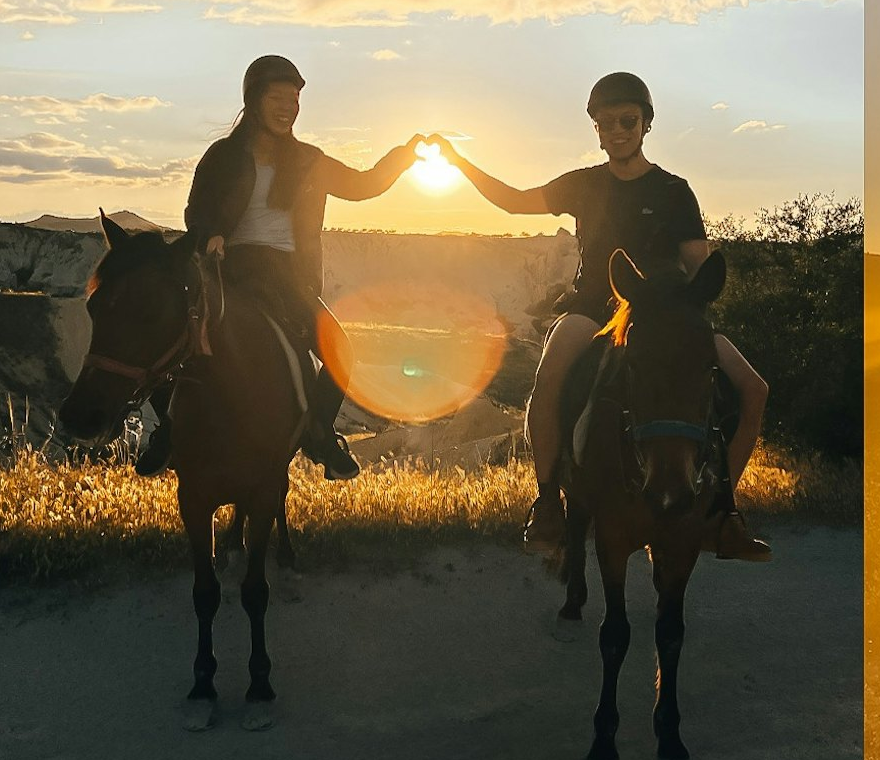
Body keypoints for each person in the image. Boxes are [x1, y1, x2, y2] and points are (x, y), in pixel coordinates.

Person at [429, 71, 770, 561]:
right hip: (593, 310)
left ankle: (721, 511)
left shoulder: (675, 191)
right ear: (595, 128)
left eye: (626, 120)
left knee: (754, 390)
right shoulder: (583, 185)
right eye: (604, 122)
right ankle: (548, 502)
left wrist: (690, 307)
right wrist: (458, 163)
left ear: (646, 123)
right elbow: (513, 201)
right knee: (547, 384)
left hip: (664, 315)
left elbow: (697, 265)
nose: (615, 131)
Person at [136, 54, 420, 479]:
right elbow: (198, 208)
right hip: (227, 266)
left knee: (341, 350)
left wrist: (405, 156)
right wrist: (210, 231)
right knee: (159, 334)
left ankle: (320, 434)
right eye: (278, 96)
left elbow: (363, 186)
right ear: (253, 101)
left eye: (295, 98)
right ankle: (170, 429)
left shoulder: (309, 160)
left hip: (288, 276)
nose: (289, 106)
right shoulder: (222, 156)